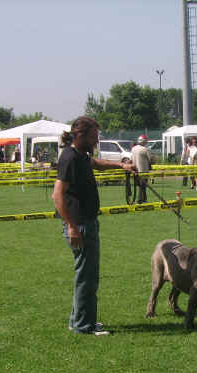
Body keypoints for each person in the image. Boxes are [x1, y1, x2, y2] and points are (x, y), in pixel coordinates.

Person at [52, 116, 136, 336]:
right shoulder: (69, 158)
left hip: (86, 222)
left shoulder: (81, 155)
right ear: (81, 135)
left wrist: (121, 165)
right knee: (87, 276)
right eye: (94, 136)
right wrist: (71, 226)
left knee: (86, 275)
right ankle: (83, 325)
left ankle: (79, 320)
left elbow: (96, 164)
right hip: (80, 225)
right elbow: (57, 195)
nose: (97, 140)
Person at [131, 134, 154, 203]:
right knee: (143, 187)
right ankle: (141, 200)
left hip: (135, 171)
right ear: (144, 142)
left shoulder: (133, 149)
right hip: (143, 171)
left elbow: (131, 158)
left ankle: (144, 199)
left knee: (140, 187)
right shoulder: (145, 149)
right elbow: (151, 160)